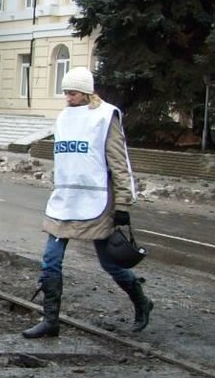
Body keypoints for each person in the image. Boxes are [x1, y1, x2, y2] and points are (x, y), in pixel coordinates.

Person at [22, 67, 153, 338]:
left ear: (85, 92)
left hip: (96, 202)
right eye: (66, 93)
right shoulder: (64, 117)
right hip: (64, 201)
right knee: (50, 260)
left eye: (72, 93)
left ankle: (141, 301)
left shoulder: (105, 116)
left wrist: (123, 205)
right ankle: (50, 320)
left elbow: (119, 163)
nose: (67, 97)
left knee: (110, 263)